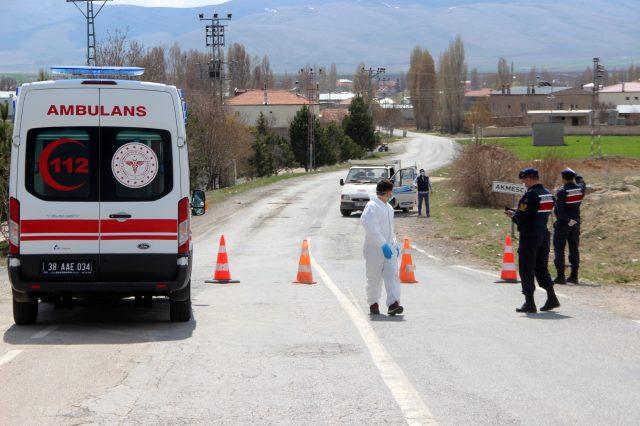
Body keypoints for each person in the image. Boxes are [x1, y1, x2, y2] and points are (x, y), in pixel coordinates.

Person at [505, 168, 560, 313]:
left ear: (530, 178)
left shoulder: (530, 196)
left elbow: (520, 217)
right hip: (544, 234)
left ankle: (529, 302)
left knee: (526, 268)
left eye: (524, 180)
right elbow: (538, 211)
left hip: (530, 235)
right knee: (541, 267)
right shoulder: (548, 194)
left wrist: (512, 214)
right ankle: (552, 297)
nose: (523, 183)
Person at [361, 179, 404, 316]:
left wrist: (394, 243)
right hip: (374, 249)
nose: (392, 195)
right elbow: (370, 227)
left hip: (389, 248)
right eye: (391, 192)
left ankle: (393, 303)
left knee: (392, 275)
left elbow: (390, 230)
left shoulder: (389, 208)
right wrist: (382, 244)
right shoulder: (372, 206)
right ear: (386, 192)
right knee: (374, 277)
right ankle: (373, 303)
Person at [553, 168, 586, 284]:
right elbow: (582, 182)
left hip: (564, 224)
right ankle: (574, 276)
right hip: (576, 222)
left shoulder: (562, 192)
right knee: (574, 249)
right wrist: (576, 175)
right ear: (572, 177)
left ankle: (560, 276)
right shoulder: (580, 189)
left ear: (563, 178)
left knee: (559, 249)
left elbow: (560, 211)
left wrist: (565, 221)